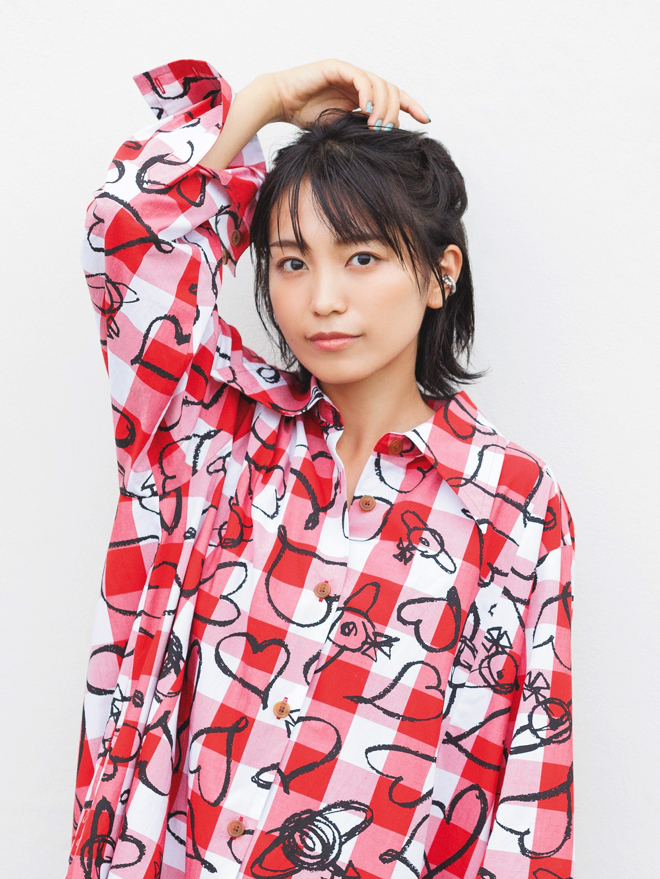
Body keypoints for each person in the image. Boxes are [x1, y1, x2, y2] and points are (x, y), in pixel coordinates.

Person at [67, 57, 574, 879]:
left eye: (362, 258)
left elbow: (527, 789)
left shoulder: (510, 505)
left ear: (441, 274)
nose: (323, 299)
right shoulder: (213, 432)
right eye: (292, 261)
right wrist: (266, 102)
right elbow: (127, 238)